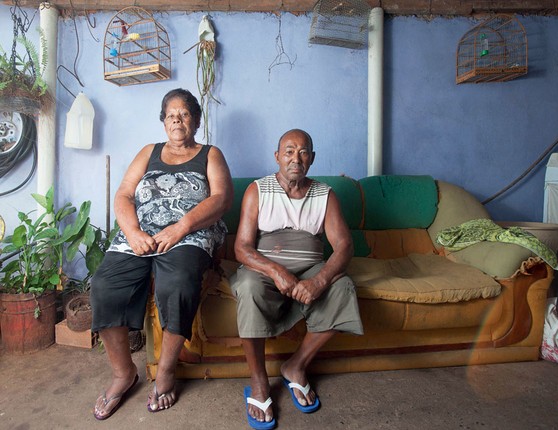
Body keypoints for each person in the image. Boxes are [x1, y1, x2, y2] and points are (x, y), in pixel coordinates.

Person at [90, 88, 233, 420]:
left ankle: (166, 371)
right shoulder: (149, 152)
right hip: (140, 234)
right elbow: (124, 194)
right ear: (163, 121)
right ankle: (124, 374)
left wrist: (180, 228)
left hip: (190, 234)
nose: (177, 120)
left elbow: (223, 198)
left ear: (196, 120)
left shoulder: (210, 154)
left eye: (184, 114)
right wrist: (133, 233)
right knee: (104, 285)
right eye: (171, 115)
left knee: (180, 283)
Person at [230, 129, 363, 429]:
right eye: (289, 151)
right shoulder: (258, 190)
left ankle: (296, 366)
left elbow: (344, 246)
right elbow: (241, 247)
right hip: (265, 270)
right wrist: (276, 271)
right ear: (277, 157)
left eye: (303, 152)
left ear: (312, 159)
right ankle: (259, 381)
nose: (296, 158)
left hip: (311, 269)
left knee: (342, 287)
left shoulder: (325, 195)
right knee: (249, 288)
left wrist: (320, 280)